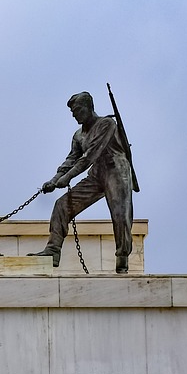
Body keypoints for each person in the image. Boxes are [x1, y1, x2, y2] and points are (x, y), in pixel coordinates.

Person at [33, 91, 134, 274]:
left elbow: (89, 156)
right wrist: (54, 179)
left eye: (77, 110)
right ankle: (53, 251)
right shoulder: (78, 135)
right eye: (72, 112)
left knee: (120, 215)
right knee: (61, 205)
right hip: (96, 174)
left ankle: (122, 258)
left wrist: (67, 178)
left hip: (116, 171)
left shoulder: (106, 124)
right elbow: (71, 159)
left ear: (89, 107)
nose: (75, 115)